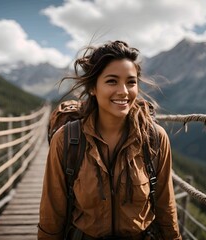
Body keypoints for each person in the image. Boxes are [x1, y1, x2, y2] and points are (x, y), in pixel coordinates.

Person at [38, 40, 181, 240]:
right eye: (112, 81)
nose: (123, 91)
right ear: (93, 88)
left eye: (131, 82)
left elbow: (166, 206)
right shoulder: (66, 140)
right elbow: (52, 215)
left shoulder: (155, 138)